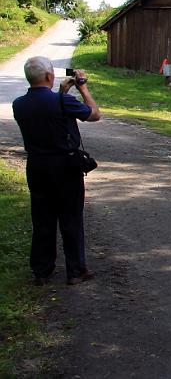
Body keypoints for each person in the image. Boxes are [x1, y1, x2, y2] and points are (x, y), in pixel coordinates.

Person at [12, 56, 101, 286]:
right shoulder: (62, 102)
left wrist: (62, 92)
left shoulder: (18, 104)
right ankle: (76, 270)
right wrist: (83, 87)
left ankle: (42, 270)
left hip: (37, 166)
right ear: (50, 76)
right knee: (71, 218)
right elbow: (94, 114)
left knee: (42, 218)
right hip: (65, 166)